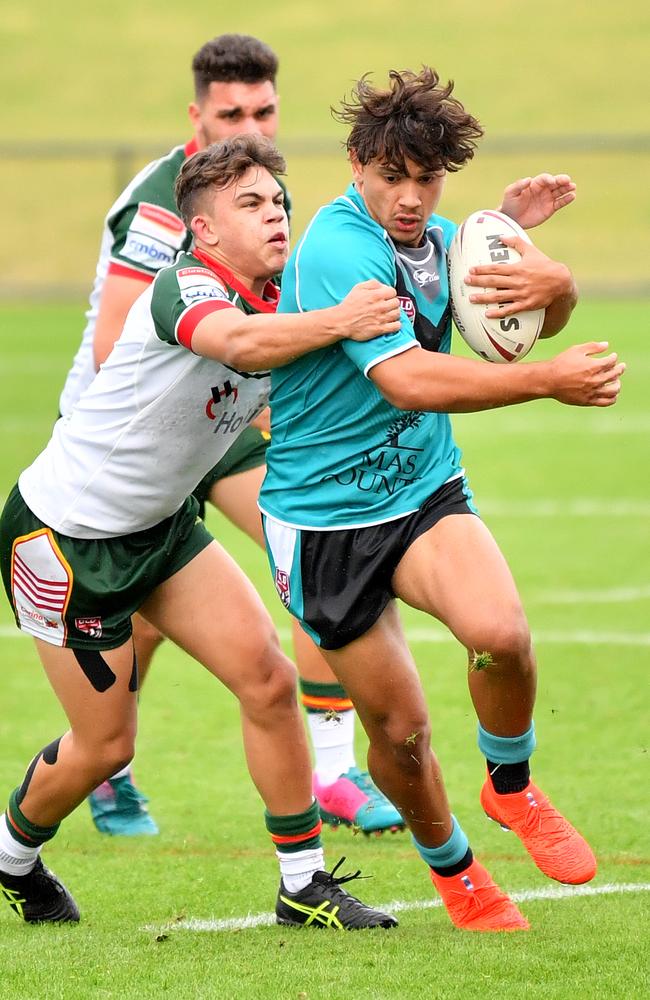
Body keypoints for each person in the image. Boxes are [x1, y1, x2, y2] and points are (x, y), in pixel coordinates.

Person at [0, 135, 401, 929]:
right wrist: (343, 318)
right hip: (64, 539)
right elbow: (241, 344)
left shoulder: (287, 293)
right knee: (106, 748)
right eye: (251, 205)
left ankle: (302, 883)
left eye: (279, 202)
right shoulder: (182, 284)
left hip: (163, 527)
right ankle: (11, 859)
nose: (276, 216)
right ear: (207, 230)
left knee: (268, 679)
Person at [259, 69, 625, 932]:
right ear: (357, 165)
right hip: (325, 520)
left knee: (501, 635)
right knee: (402, 735)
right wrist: (545, 382)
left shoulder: (449, 239)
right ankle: (456, 874)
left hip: (423, 490)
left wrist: (554, 280)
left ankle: (512, 786)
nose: (413, 198)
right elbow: (408, 380)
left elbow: (525, 319)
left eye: (428, 179)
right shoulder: (336, 247)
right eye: (395, 176)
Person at [59, 31, 403, 837]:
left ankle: (332, 770)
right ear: (197, 116)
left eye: (265, 109)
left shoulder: (262, 192)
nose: (251, 125)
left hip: (222, 420)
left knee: (318, 536)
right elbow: (116, 345)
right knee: (143, 609)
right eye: (231, 112)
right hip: (138, 432)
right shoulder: (158, 200)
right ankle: (112, 764)